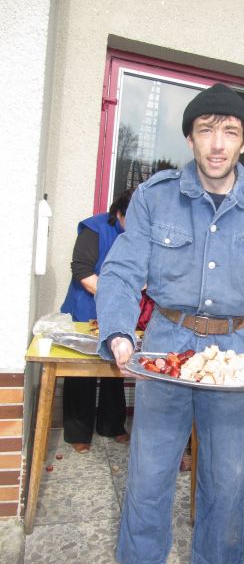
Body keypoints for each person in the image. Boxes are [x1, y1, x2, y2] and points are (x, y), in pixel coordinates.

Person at [95, 83, 244, 564]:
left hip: (236, 354)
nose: (217, 143)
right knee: (151, 467)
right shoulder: (155, 197)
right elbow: (122, 271)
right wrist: (119, 333)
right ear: (190, 138)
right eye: (206, 130)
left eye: (230, 132)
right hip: (167, 346)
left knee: (226, 472)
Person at [60, 190, 133, 453]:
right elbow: (81, 270)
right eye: (132, 218)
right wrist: (113, 294)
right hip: (87, 305)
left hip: (121, 308)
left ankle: (112, 425)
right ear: (118, 213)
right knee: (82, 369)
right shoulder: (95, 229)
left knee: (116, 364)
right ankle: (78, 431)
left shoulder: (142, 234)